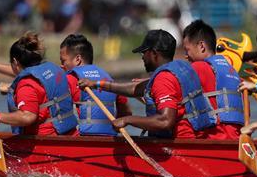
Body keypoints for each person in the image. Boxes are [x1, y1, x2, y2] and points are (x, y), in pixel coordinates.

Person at [80, 29, 216, 139]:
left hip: (180, 145)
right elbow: (134, 89)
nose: (142, 57)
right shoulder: (175, 71)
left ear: (154, 53)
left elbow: (165, 121)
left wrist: (127, 120)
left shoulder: (164, 79)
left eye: (144, 52)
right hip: (191, 139)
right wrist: (97, 84)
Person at [0, 32, 77, 136]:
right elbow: (24, 73)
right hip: (70, 134)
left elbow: (27, 116)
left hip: (47, 140)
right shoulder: (52, 68)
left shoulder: (26, 85)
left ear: (15, 62)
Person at [180, 19, 244, 140]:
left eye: (187, 50)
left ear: (202, 46)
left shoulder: (198, 67)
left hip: (215, 141)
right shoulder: (232, 71)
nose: (185, 55)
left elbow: (171, 82)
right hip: (236, 140)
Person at [59, 33, 131, 136]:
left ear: (78, 59)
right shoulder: (108, 78)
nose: (61, 66)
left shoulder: (70, 79)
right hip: (110, 139)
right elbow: (127, 112)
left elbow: (59, 117)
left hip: (82, 140)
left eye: (63, 61)